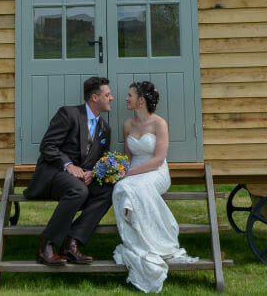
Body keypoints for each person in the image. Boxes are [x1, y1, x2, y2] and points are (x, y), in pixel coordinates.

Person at [112, 81, 198, 292]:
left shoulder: (159, 124)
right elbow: (128, 158)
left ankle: (159, 240)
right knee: (121, 188)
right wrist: (119, 171)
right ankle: (138, 238)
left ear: (141, 100)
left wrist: (129, 174)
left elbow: (159, 159)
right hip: (134, 171)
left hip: (155, 172)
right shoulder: (127, 125)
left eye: (130, 95)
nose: (126, 98)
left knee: (134, 187)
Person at [24, 76, 115, 266]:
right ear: (94, 98)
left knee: (108, 190)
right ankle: (45, 246)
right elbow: (48, 146)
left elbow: (100, 159)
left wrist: (93, 173)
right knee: (78, 190)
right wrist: (68, 166)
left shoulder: (105, 128)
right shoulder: (68, 114)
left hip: (81, 179)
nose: (112, 98)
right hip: (53, 174)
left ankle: (71, 242)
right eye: (108, 94)